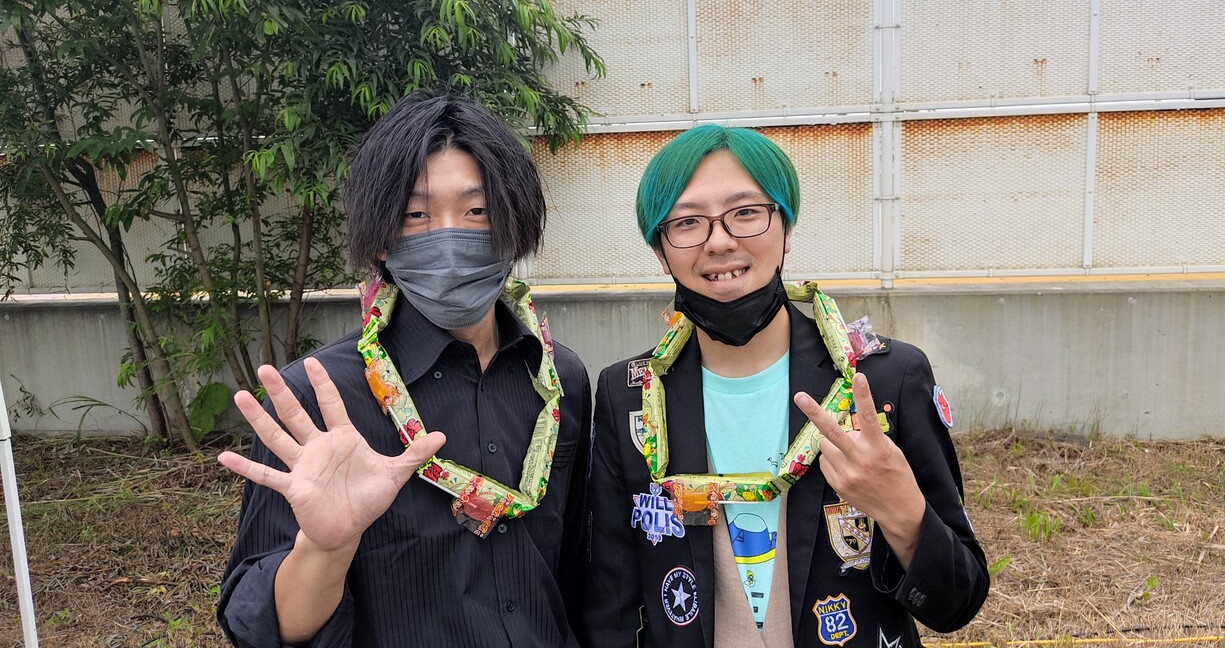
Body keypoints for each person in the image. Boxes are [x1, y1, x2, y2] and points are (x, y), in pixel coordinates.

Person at [580, 125, 988, 648]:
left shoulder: (882, 380)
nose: (719, 241)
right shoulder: (630, 395)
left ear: (786, 229)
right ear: (661, 252)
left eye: (746, 212)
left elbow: (958, 600)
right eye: (687, 222)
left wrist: (901, 508)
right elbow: (609, 604)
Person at [217, 93, 592, 648]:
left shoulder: (561, 380)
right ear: (381, 241)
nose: (449, 239)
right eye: (417, 215)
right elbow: (267, 631)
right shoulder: (317, 400)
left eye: (477, 211)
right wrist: (325, 549)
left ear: (516, 224)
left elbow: (575, 572)